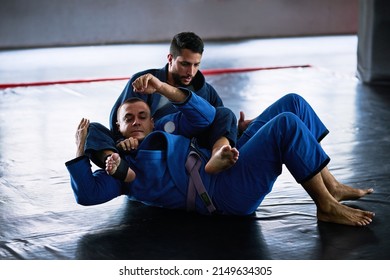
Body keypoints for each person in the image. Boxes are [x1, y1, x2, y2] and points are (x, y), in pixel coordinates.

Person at [66, 75, 375, 227]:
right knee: (286, 126)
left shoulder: (166, 127)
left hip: (224, 159)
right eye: (128, 119)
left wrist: (161, 88)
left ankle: (330, 184)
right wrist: (82, 149)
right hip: (220, 193)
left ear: (151, 120)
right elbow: (88, 194)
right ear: (117, 128)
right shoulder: (122, 170)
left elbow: (206, 116)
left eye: (142, 116)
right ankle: (325, 206)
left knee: (293, 103)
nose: (136, 122)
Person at [84, 32, 238, 174]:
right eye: (185, 64)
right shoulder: (144, 81)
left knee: (226, 114)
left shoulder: (205, 91)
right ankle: (118, 167)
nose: (191, 72)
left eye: (196, 65)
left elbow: (221, 122)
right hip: (146, 151)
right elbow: (120, 119)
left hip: (185, 154)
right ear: (170, 58)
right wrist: (124, 142)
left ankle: (217, 154)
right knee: (91, 129)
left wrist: (237, 129)